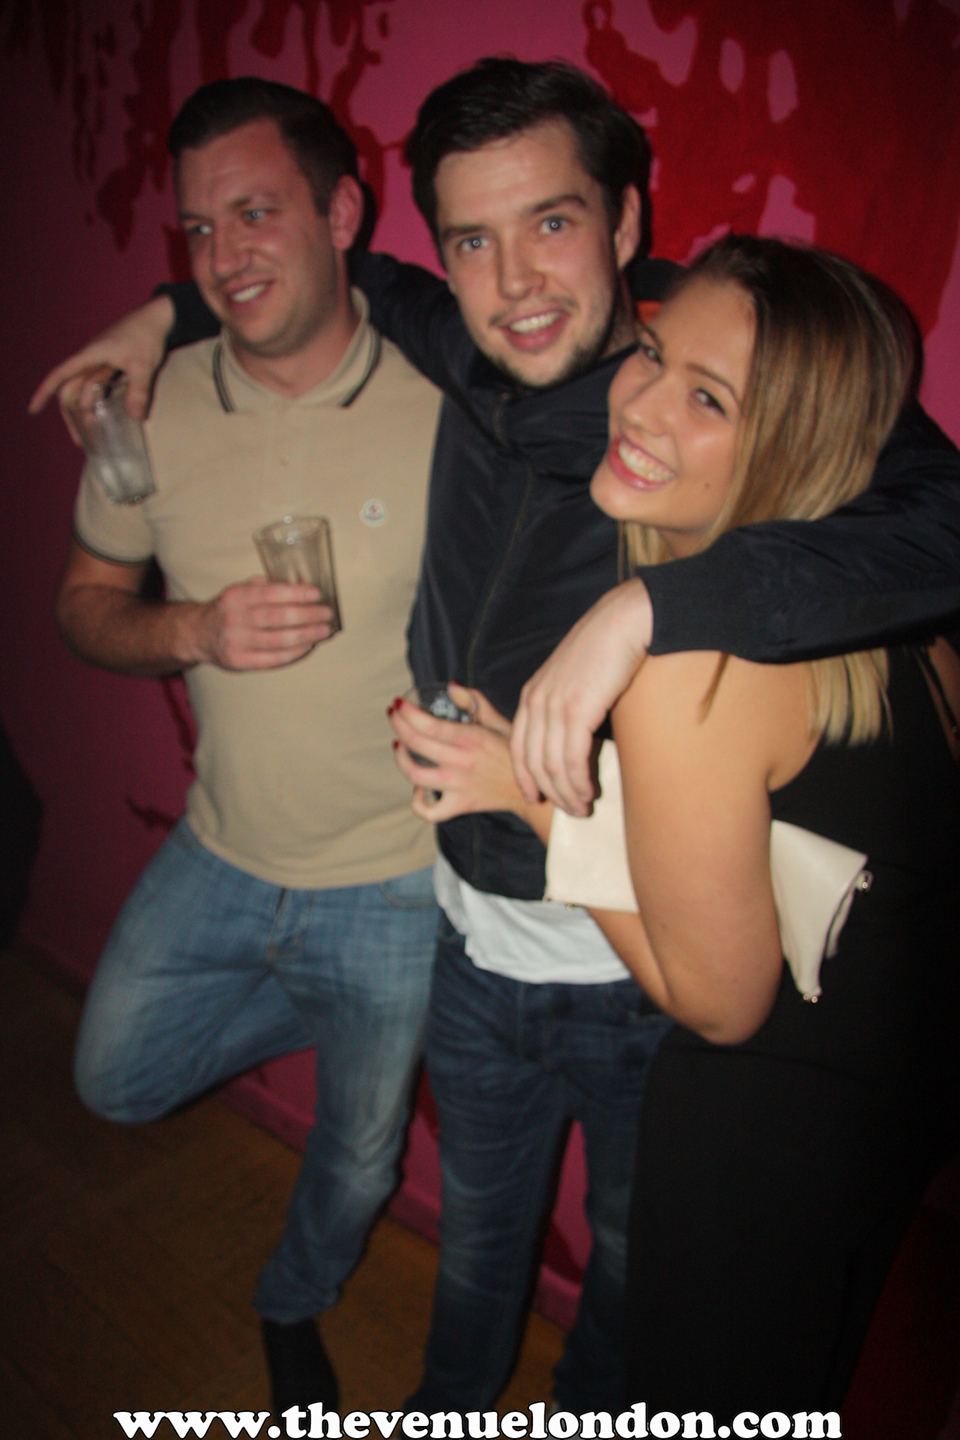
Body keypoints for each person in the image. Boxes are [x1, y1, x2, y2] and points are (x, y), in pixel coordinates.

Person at [31, 58, 960, 1413]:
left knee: (634, 1275)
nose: (513, 280)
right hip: (467, 945)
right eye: (472, 239)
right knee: (476, 1260)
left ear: (627, 223)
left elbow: (940, 511)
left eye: (554, 222)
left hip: (630, 980)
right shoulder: (457, 341)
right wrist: (164, 309)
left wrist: (651, 606)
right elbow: (314, 272)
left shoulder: (713, 395)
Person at [390, 234, 960, 1418]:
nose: (640, 404)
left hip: (756, 1148)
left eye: (710, 399)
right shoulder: (911, 613)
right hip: (882, 1113)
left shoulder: (689, 670)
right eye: (652, 355)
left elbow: (718, 1002)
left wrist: (530, 793)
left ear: (796, 442)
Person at [48, 77, 442, 1414]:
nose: (224, 256)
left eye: (258, 212)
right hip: (221, 848)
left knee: (360, 1152)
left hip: (394, 878)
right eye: (200, 230)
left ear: (343, 213)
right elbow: (84, 606)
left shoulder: (446, 397)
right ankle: (352, 1006)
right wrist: (194, 630)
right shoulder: (144, 405)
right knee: (113, 1080)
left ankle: (290, 1301)